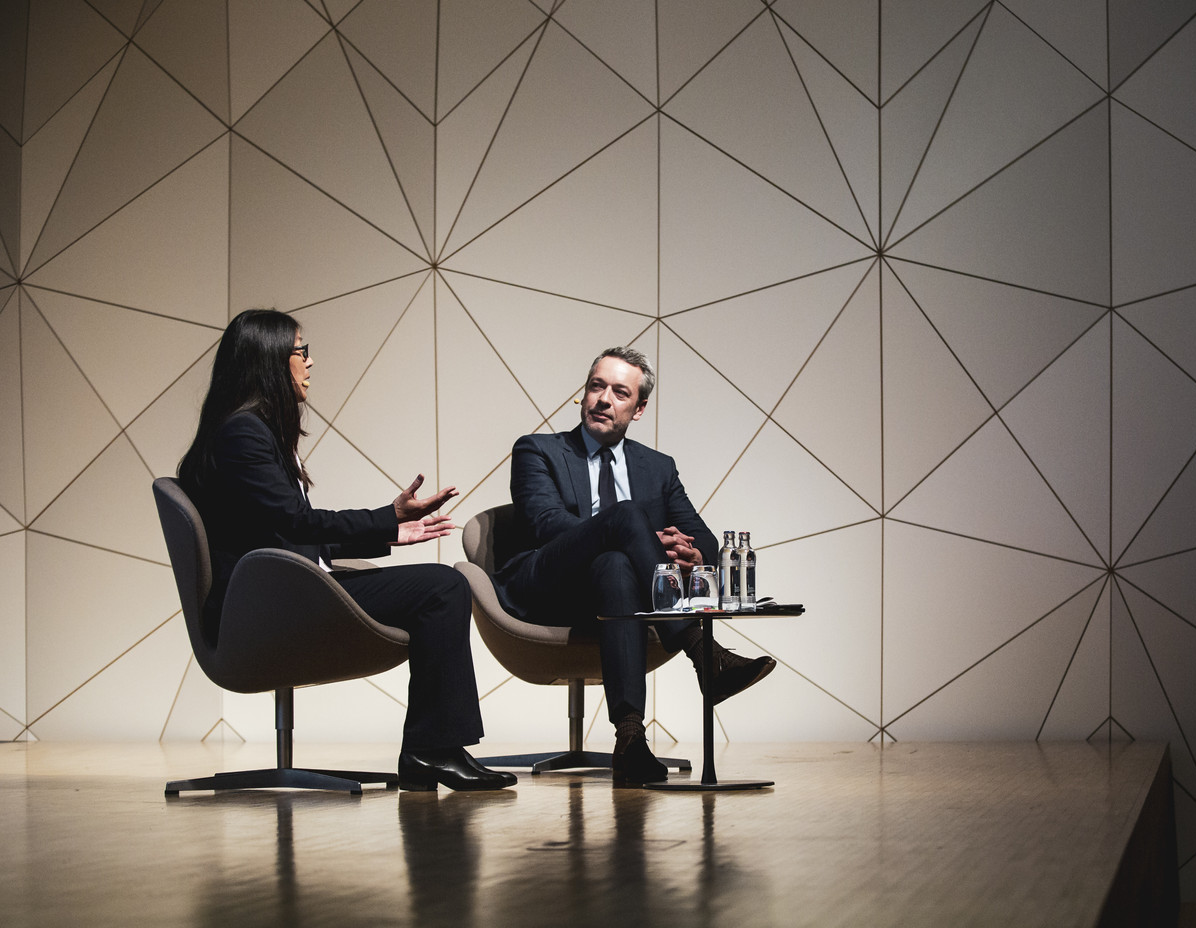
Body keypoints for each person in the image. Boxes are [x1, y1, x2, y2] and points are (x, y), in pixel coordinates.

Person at [177, 309, 514, 791]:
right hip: (268, 606)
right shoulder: (242, 433)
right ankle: (430, 750)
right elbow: (293, 523)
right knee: (443, 587)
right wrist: (387, 518)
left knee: (441, 588)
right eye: (301, 351)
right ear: (271, 360)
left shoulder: (252, 430)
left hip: (289, 591)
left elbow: (289, 531)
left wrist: (389, 533)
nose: (310, 363)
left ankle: (432, 748)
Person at [496, 346, 775, 783]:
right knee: (625, 519)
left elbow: (701, 535)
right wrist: (633, 531)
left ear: (639, 408)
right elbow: (546, 525)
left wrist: (693, 554)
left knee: (615, 567)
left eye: (619, 392)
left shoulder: (657, 468)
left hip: (615, 593)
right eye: (596, 386)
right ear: (584, 394)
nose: (603, 399)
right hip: (545, 584)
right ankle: (704, 654)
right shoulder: (538, 450)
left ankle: (629, 740)